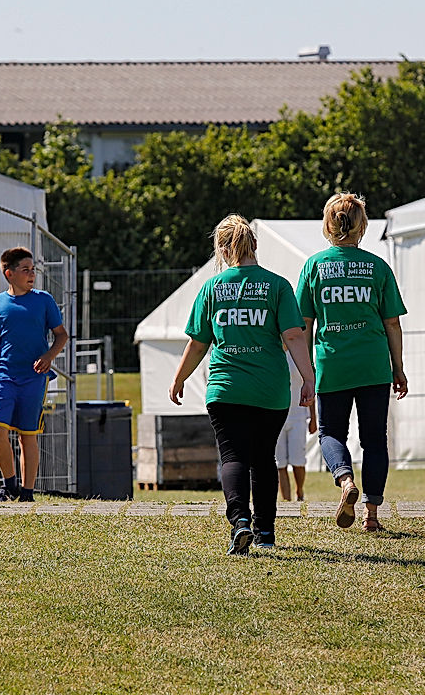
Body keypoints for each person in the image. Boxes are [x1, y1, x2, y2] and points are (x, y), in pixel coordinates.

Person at [170, 215, 315, 556]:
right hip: (269, 389)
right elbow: (294, 335)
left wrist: (179, 378)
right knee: (264, 458)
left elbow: (197, 343)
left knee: (232, 456)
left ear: (222, 249)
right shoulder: (277, 285)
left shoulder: (213, 288)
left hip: (225, 388)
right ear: (254, 245)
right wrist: (309, 378)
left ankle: (240, 521)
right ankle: (265, 530)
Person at [296, 193, 407, 533]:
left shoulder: (314, 266)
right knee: (374, 439)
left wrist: (307, 371)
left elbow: (304, 324)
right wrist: (398, 367)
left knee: (331, 433)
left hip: (333, 364)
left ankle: (345, 481)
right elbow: (392, 323)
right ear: (362, 227)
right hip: (373, 364)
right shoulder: (377, 267)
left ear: (328, 225)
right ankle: (371, 516)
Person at [0, 247, 68, 503]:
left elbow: (61, 335)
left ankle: (27, 493)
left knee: (27, 434)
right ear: (9, 273)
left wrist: (49, 356)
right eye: (25, 270)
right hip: (3, 376)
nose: (32, 275)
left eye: (33, 270)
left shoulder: (44, 300)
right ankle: (9, 484)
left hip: (34, 378)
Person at [276, 354, 314, 501]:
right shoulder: (271, 352)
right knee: (280, 463)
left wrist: (313, 419)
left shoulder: (298, 354)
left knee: (298, 461)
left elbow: (311, 388)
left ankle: (300, 492)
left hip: (298, 415)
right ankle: (286, 500)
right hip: (276, 415)